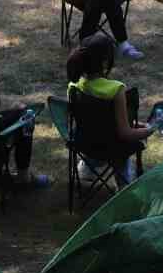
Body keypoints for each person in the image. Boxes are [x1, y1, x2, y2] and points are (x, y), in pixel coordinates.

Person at [66, 34, 154, 185]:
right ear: (106, 62)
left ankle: (87, 167)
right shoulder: (116, 89)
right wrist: (148, 130)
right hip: (112, 147)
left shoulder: (74, 86)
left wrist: (136, 124)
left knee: (100, 138)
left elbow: (97, 118)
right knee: (124, 145)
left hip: (84, 142)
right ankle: (123, 186)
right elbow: (125, 133)